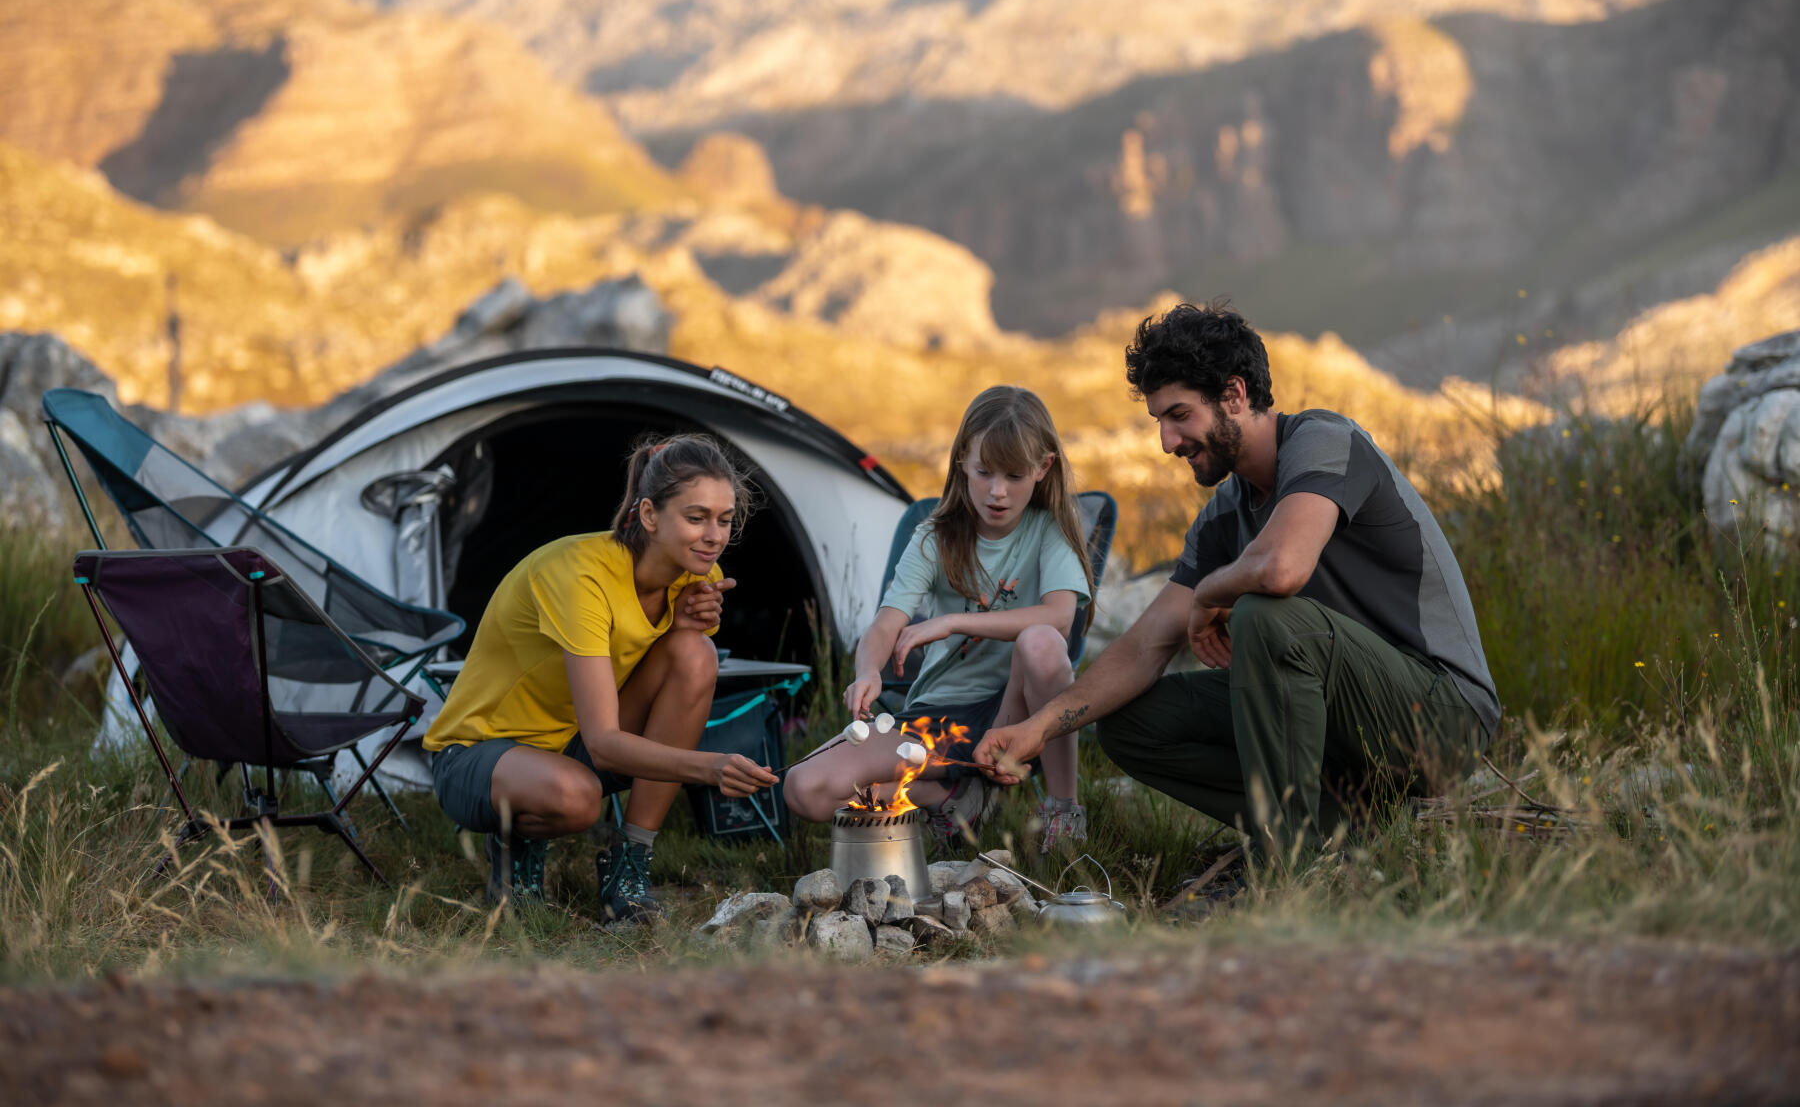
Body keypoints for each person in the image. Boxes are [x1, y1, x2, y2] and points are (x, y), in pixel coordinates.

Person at [974, 300, 1498, 863]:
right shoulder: (1225, 513)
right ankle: (1339, 830)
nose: (1167, 442)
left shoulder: (1324, 440)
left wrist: (1209, 592)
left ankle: (1289, 859)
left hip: (1440, 716)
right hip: (1346, 733)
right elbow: (1144, 646)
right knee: (1129, 725)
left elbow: (1282, 569)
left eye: (1179, 415)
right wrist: (1041, 726)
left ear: (1234, 395)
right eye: (1159, 422)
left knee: (1267, 615)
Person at [423, 434, 778, 921]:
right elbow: (606, 744)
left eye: (724, 519)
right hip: (477, 755)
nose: (714, 535)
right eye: (696, 518)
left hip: (569, 743)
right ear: (649, 516)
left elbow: (661, 665)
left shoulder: (694, 572)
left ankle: (629, 865)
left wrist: (677, 627)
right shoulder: (580, 576)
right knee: (577, 799)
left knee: (696, 654)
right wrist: (710, 768)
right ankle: (514, 854)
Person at [783, 386, 1095, 852]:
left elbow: (1059, 618)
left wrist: (952, 623)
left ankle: (1062, 810)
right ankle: (949, 794)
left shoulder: (1049, 531)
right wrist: (868, 670)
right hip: (937, 719)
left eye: (1014, 475)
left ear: (1042, 468)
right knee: (803, 789)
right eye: (984, 471)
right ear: (962, 461)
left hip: (1012, 714)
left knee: (1040, 642)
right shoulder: (935, 536)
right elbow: (886, 623)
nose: (997, 491)